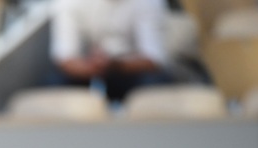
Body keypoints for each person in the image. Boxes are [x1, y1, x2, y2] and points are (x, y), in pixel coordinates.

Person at [44, 0, 173, 102]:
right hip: (86, 69)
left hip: (130, 70)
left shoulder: (149, 2)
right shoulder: (69, 2)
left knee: (155, 83)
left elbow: (154, 59)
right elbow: (64, 56)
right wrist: (91, 67)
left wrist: (113, 65)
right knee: (53, 83)